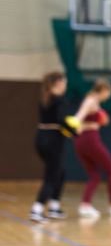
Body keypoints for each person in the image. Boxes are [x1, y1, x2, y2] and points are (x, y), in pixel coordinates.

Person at [72, 79, 111, 218]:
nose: (109, 96)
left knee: (94, 175)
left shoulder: (94, 102)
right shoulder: (90, 100)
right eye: (109, 92)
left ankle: (85, 205)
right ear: (104, 90)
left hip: (82, 141)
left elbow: (92, 119)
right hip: (89, 140)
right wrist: (77, 124)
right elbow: (78, 117)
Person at [31, 71, 70, 223]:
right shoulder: (60, 100)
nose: (65, 86)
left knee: (60, 172)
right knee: (52, 175)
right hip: (53, 140)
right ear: (59, 83)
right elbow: (62, 120)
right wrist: (75, 130)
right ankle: (37, 209)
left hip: (40, 139)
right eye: (64, 83)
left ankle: (54, 207)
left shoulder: (45, 98)